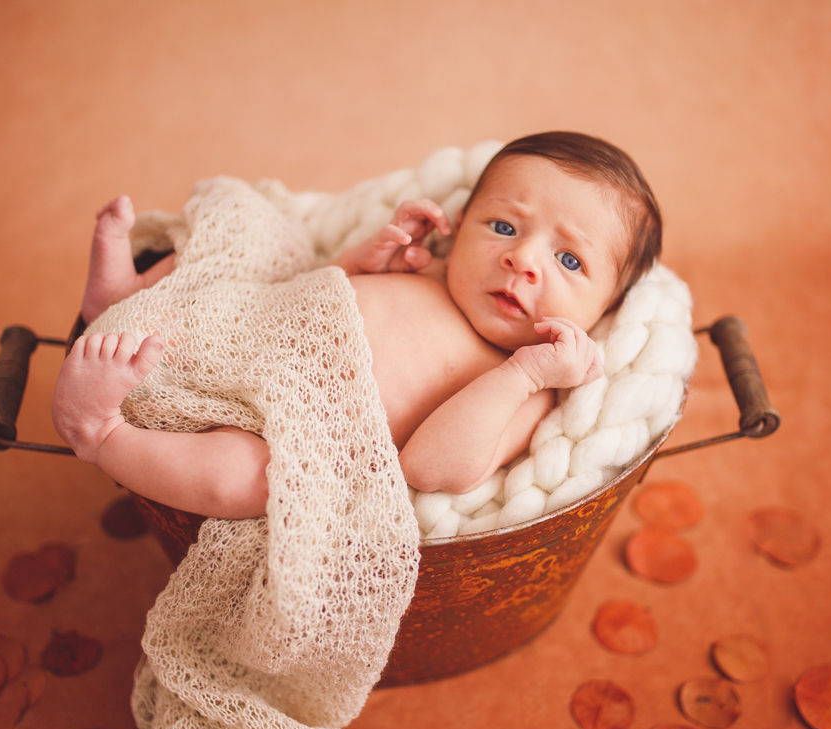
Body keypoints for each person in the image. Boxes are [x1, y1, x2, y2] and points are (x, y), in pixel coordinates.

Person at [51, 132, 661, 519]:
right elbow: (319, 280)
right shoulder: (438, 272)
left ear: (604, 312)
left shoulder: (525, 385)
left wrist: (524, 374)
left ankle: (102, 435)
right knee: (247, 240)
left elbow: (433, 467)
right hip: (256, 327)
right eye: (503, 226)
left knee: (250, 484)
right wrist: (369, 260)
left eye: (569, 260)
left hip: (286, 428)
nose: (522, 259)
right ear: (460, 221)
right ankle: (117, 299)